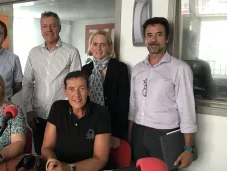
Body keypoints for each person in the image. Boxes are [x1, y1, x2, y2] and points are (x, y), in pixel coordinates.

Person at [128, 17, 197, 170]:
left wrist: (188, 149)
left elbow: (187, 110)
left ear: (167, 38)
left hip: (165, 135)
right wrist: (129, 134)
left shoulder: (180, 69)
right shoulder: (137, 69)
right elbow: (133, 106)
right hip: (139, 133)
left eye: (159, 35)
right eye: (149, 35)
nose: (153, 39)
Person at [23, 11, 81, 155]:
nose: (49, 30)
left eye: (53, 26)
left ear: (59, 28)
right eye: (45, 26)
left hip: (63, 116)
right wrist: (29, 110)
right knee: (41, 155)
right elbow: (28, 82)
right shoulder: (33, 53)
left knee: (62, 155)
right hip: (38, 116)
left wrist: (72, 113)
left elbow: (76, 86)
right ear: (41, 29)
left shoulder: (71, 52)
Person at [41, 71, 114, 171]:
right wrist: (52, 162)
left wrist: (67, 168)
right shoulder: (58, 108)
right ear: (65, 91)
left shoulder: (101, 113)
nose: (77, 94)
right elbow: (46, 148)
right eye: (71, 89)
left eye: (82, 88)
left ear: (88, 90)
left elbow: (100, 159)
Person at [82, 30, 130, 149]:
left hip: (111, 125)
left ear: (109, 47)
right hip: (89, 124)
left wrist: (117, 134)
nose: (98, 48)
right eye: (95, 44)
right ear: (90, 46)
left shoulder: (120, 68)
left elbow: (123, 104)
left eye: (103, 44)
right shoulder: (85, 69)